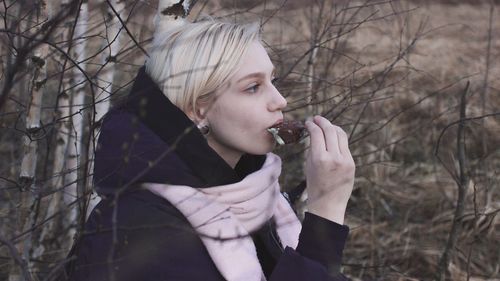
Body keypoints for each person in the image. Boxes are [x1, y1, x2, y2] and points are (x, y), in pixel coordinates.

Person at [62, 18, 355, 281]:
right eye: (253, 87)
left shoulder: (256, 199)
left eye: (272, 81)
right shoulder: (138, 230)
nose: (280, 100)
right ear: (197, 109)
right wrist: (326, 211)